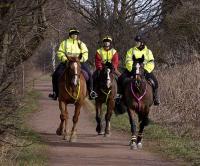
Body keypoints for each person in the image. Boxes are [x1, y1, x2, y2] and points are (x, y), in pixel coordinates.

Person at [49, 27, 96, 100]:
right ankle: (55, 93)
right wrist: (65, 59)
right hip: (67, 62)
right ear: (70, 35)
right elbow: (60, 52)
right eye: (73, 34)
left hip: (79, 62)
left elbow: (85, 53)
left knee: (89, 74)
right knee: (55, 75)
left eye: (76, 34)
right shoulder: (64, 43)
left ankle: (91, 92)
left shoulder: (81, 43)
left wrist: (82, 59)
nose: (74, 35)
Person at [117, 35, 160, 105]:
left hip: (145, 70)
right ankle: (119, 96)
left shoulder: (148, 52)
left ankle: (156, 98)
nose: (136, 43)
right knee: (121, 78)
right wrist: (132, 68)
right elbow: (128, 60)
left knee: (155, 82)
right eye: (136, 41)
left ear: (142, 42)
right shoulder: (131, 50)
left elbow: (151, 62)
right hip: (132, 69)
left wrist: (146, 70)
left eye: (138, 42)